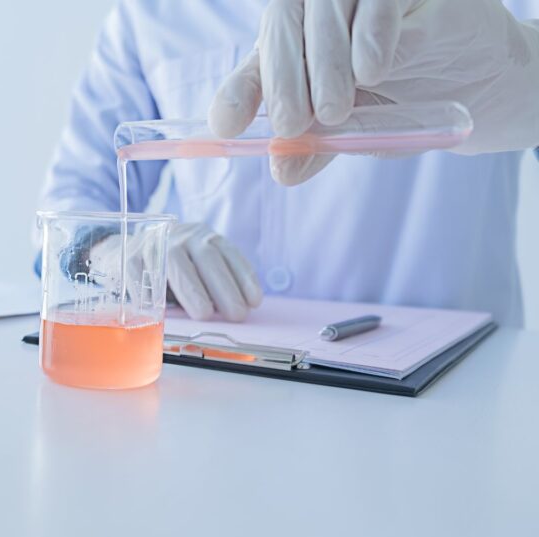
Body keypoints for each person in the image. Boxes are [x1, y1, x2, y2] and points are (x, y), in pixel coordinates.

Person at [38, 0, 539, 326]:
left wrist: (526, 73)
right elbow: (65, 208)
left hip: (450, 402)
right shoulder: (149, 15)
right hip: (216, 383)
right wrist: (119, 252)